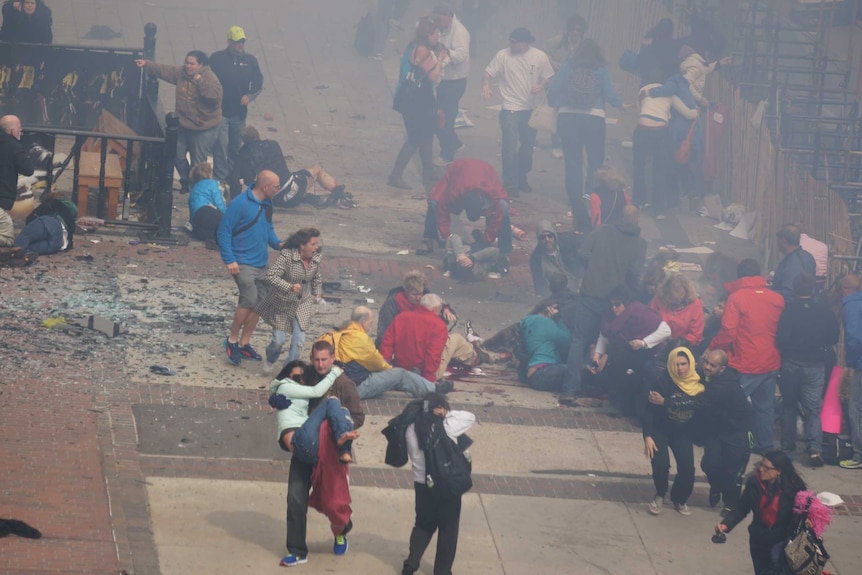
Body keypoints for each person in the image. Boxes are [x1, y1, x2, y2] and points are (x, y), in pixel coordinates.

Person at [282, 341, 364, 567]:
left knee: (332, 502)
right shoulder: (306, 377)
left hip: (330, 450)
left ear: (333, 357)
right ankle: (297, 551)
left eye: (324, 359)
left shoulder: (344, 384)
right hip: (305, 447)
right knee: (295, 497)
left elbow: (358, 416)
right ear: (311, 358)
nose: (320, 364)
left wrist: (333, 425)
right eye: (316, 360)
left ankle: (342, 529)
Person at [560, 205, 646, 407]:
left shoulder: (601, 231)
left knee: (579, 340)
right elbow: (634, 274)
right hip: (614, 302)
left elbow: (582, 253)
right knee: (613, 345)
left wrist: (594, 266)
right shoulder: (639, 244)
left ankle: (569, 390)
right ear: (637, 220)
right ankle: (609, 392)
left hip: (590, 292)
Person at [652, 349, 752, 516]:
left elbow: (697, 403)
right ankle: (717, 486)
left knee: (733, 470)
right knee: (709, 463)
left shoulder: (724, 385)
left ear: (722, 369)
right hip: (716, 430)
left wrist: (666, 402)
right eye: (706, 362)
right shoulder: (705, 375)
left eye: (712, 365)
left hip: (738, 432)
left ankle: (730, 504)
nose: (706, 367)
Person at [548, 38, 628, 231]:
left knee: (572, 160)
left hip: (568, 117)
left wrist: (556, 103)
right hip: (594, 118)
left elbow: (554, 88)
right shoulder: (600, 68)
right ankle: (589, 193)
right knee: (595, 159)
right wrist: (619, 104)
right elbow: (609, 93)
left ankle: (574, 199)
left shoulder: (568, 66)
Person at [710, 258, 784, 454]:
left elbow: (728, 330)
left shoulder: (737, 297)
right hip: (770, 361)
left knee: (733, 404)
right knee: (765, 408)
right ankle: (764, 444)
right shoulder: (777, 298)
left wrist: (713, 347)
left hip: (745, 362)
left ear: (739, 275)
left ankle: (728, 440)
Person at [402, 392, 475, 575]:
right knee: (448, 530)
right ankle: (442, 571)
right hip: (446, 485)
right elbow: (469, 417)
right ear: (439, 407)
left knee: (423, 524)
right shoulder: (448, 426)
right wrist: (445, 413)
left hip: (422, 484)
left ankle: (411, 564)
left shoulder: (411, 428)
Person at [216, 170, 282, 366]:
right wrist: (230, 259)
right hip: (243, 262)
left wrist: (278, 244)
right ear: (265, 186)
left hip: (261, 262)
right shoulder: (239, 204)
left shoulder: (268, 204)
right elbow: (224, 231)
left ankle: (244, 343)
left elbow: (268, 228)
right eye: (277, 186)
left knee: (260, 303)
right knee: (249, 299)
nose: (278, 190)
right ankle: (232, 340)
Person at [135, 52, 223, 194]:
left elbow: (215, 97)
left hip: (203, 128)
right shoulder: (181, 73)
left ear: (200, 65)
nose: (188, 66)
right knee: (177, 154)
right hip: (183, 124)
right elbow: (165, 70)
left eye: (192, 64)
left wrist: (200, 82)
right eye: (187, 62)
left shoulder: (210, 77)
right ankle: (186, 181)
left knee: (198, 162)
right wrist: (147, 65)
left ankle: (196, 190)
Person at [776, 273, 839, 467]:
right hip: (815, 364)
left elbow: (781, 339)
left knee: (789, 406)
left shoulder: (789, 311)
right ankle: (814, 448)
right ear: (813, 289)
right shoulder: (824, 311)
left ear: (795, 289)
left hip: (791, 363)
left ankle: (787, 446)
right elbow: (834, 337)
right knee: (813, 409)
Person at [482, 27, 554, 196]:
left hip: (529, 109)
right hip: (510, 109)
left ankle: (521, 176)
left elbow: (548, 76)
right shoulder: (502, 55)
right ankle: (510, 184)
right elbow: (487, 72)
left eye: (514, 42)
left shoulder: (539, 56)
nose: (510, 45)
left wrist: (541, 85)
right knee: (509, 147)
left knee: (527, 148)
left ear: (524, 43)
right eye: (510, 41)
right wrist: (485, 84)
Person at [716, 450, 808, 575]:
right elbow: (742, 508)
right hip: (759, 541)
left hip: (783, 543)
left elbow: (802, 515)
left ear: (778, 471)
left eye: (766, 467)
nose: (761, 470)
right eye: (761, 465)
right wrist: (726, 524)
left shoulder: (794, 489)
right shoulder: (754, 484)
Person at [329, 305, 440, 400]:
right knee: (399, 374)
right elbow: (378, 364)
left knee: (397, 375)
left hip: (335, 384)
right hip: (355, 387)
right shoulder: (359, 338)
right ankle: (434, 389)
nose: (371, 326)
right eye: (370, 323)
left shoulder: (335, 333)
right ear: (363, 322)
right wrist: (391, 372)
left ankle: (417, 380)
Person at [591, 285, 671, 415]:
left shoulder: (640, 313)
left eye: (617, 304)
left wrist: (643, 343)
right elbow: (605, 335)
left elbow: (666, 330)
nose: (614, 308)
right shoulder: (610, 316)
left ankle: (627, 407)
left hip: (647, 355)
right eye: (611, 305)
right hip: (623, 355)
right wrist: (597, 355)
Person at [642, 347, 703, 516]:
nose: (680, 369)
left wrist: (666, 402)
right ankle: (660, 494)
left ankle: (679, 498)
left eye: (684, 364)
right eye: (676, 364)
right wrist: (647, 435)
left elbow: (697, 403)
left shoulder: (699, 383)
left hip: (683, 432)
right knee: (660, 464)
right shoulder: (661, 382)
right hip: (661, 429)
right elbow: (648, 410)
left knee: (687, 469)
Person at [388, 17, 444, 191]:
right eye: (435, 34)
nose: (438, 37)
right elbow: (433, 76)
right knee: (416, 137)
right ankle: (396, 175)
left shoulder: (415, 46)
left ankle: (428, 170)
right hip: (417, 101)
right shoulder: (422, 50)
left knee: (427, 133)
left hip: (418, 99)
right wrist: (440, 59)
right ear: (428, 34)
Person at [256, 228, 323, 373]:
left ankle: (288, 371)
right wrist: (289, 286)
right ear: (302, 245)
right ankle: (271, 358)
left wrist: (317, 294)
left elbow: (316, 278)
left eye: (317, 243)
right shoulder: (287, 256)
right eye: (313, 244)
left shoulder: (316, 258)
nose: (316, 247)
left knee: (298, 342)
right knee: (278, 341)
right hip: (282, 303)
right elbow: (271, 276)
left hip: (302, 303)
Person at [228, 126, 346, 207]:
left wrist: (235, 202)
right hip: (291, 190)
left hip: (271, 199)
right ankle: (338, 193)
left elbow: (235, 180)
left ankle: (305, 195)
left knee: (295, 176)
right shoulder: (273, 145)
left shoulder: (241, 157)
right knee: (316, 169)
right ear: (257, 135)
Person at [633, 72, 698, 216]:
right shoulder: (670, 94)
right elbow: (689, 114)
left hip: (642, 128)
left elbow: (640, 111)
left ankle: (638, 202)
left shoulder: (643, 91)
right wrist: (696, 110)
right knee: (659, 168)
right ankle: (658, 208)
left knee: (639, 166)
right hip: (660, 130)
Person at [269, 363, 359, 464]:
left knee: (344, 411)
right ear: (288, 376)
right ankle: (342, 439)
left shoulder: (296, 391)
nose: (302, 380)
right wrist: (335, 372)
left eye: (304, 377)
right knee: (332, 401)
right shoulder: (285, 386)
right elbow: (316, 391)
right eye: (297, 377)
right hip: (298, 439)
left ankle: (344, 450)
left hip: (309, 445)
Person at [419, 158, 511, 257]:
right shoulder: (454, 192)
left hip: (485, 171)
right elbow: (442, 211)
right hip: (458, 169)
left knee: (503, 207)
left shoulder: (491, 194)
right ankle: (429, 239)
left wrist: (486, 241)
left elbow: (496, 217)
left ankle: (505, 247)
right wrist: (447, 237)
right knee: (434, 202)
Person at [380, 293, 478, 382]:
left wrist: (386, 369)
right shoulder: (438, 325)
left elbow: (387, 344)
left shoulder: (401, 318)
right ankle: (477, 357)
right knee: (456, 339)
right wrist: (428, 380)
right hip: (425, 373)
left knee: (451, 341)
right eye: (440, 310)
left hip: (401, 368)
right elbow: (432, 355)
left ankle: (476, 355)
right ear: (435, 309)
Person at [209, 25, 264, 182]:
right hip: (220, 111)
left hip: (239, 114)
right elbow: (207, 75)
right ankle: (220, 177)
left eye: (242, 42)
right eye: (237, 42)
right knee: (220, 146)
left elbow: (258, 82)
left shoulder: (250, 61)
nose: (240, 45)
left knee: (235, 147)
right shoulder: (217, 58)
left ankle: (232, 176)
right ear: (229, 42)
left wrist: (249, 96)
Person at [375, 270, 457, 348]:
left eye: (420, 294)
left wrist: (445, 309)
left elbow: (436, 302)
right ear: (406, 291)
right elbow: (384, 332)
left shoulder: (425, 296)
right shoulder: (392, 303)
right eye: (414, 294)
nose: (418, 298)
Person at [432, 4, 470, 167]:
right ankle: (454, 142)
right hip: (443, 80)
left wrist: (445, 56)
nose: (437, 23)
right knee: (439, 116)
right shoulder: (441, 27)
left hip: (455, 81)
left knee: (444, 118)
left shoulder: (459, 32)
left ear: (448, 15)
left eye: (439, 19)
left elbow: (461, 54)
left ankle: (447, 154)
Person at [519, 301, 572, 392]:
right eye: (556, 308)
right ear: (549, 309)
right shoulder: (547, 323)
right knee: (578, 370)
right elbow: (569, 341)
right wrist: (558, 319)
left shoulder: (527, 321)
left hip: (528, 374)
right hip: (542, 372)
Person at [0, 115, 34, 247]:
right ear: (13, 131)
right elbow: (28, 169)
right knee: (8, 238)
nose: (21, 131)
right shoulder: (14, 147)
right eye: (19, 129)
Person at [840, 273, 862, 469]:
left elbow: (854, 338)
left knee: (855, 408)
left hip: (860, 363)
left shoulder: (850, 305)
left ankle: (858, 455)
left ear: (844, 289)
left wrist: (850, 363)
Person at [649, 273, 705, 349]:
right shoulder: (659, 299)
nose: (677, 300)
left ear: (686, 291)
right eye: (673, 297)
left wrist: (678, 345)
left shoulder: (695, 304)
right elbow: (649, 321)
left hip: (683, 347)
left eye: (680, 296)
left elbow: (696, 334)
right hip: (657, 344)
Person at [12, 194, 76, 255]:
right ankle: (20, 255)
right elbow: (74, 208)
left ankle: (12, 253)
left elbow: (30, 222)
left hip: (51, 223)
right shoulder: (69, 214)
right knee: (30, 249)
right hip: (60, 242)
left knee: (25, 238)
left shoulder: (57, 202)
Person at [772, 224, 816, 304]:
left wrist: (768, 293)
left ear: (784, 240)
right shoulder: (808, 256)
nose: (777, 244)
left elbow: (789, 293)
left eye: (778, 240)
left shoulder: (792, 263)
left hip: (791, 310)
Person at [187, 162, 225, 246]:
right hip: (207, 211)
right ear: (209, 174)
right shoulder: (212, 183)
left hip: (197, 219)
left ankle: (213, 238)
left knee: (208, 232)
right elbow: (219, 202)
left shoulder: (194, 188)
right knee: (228, 225)